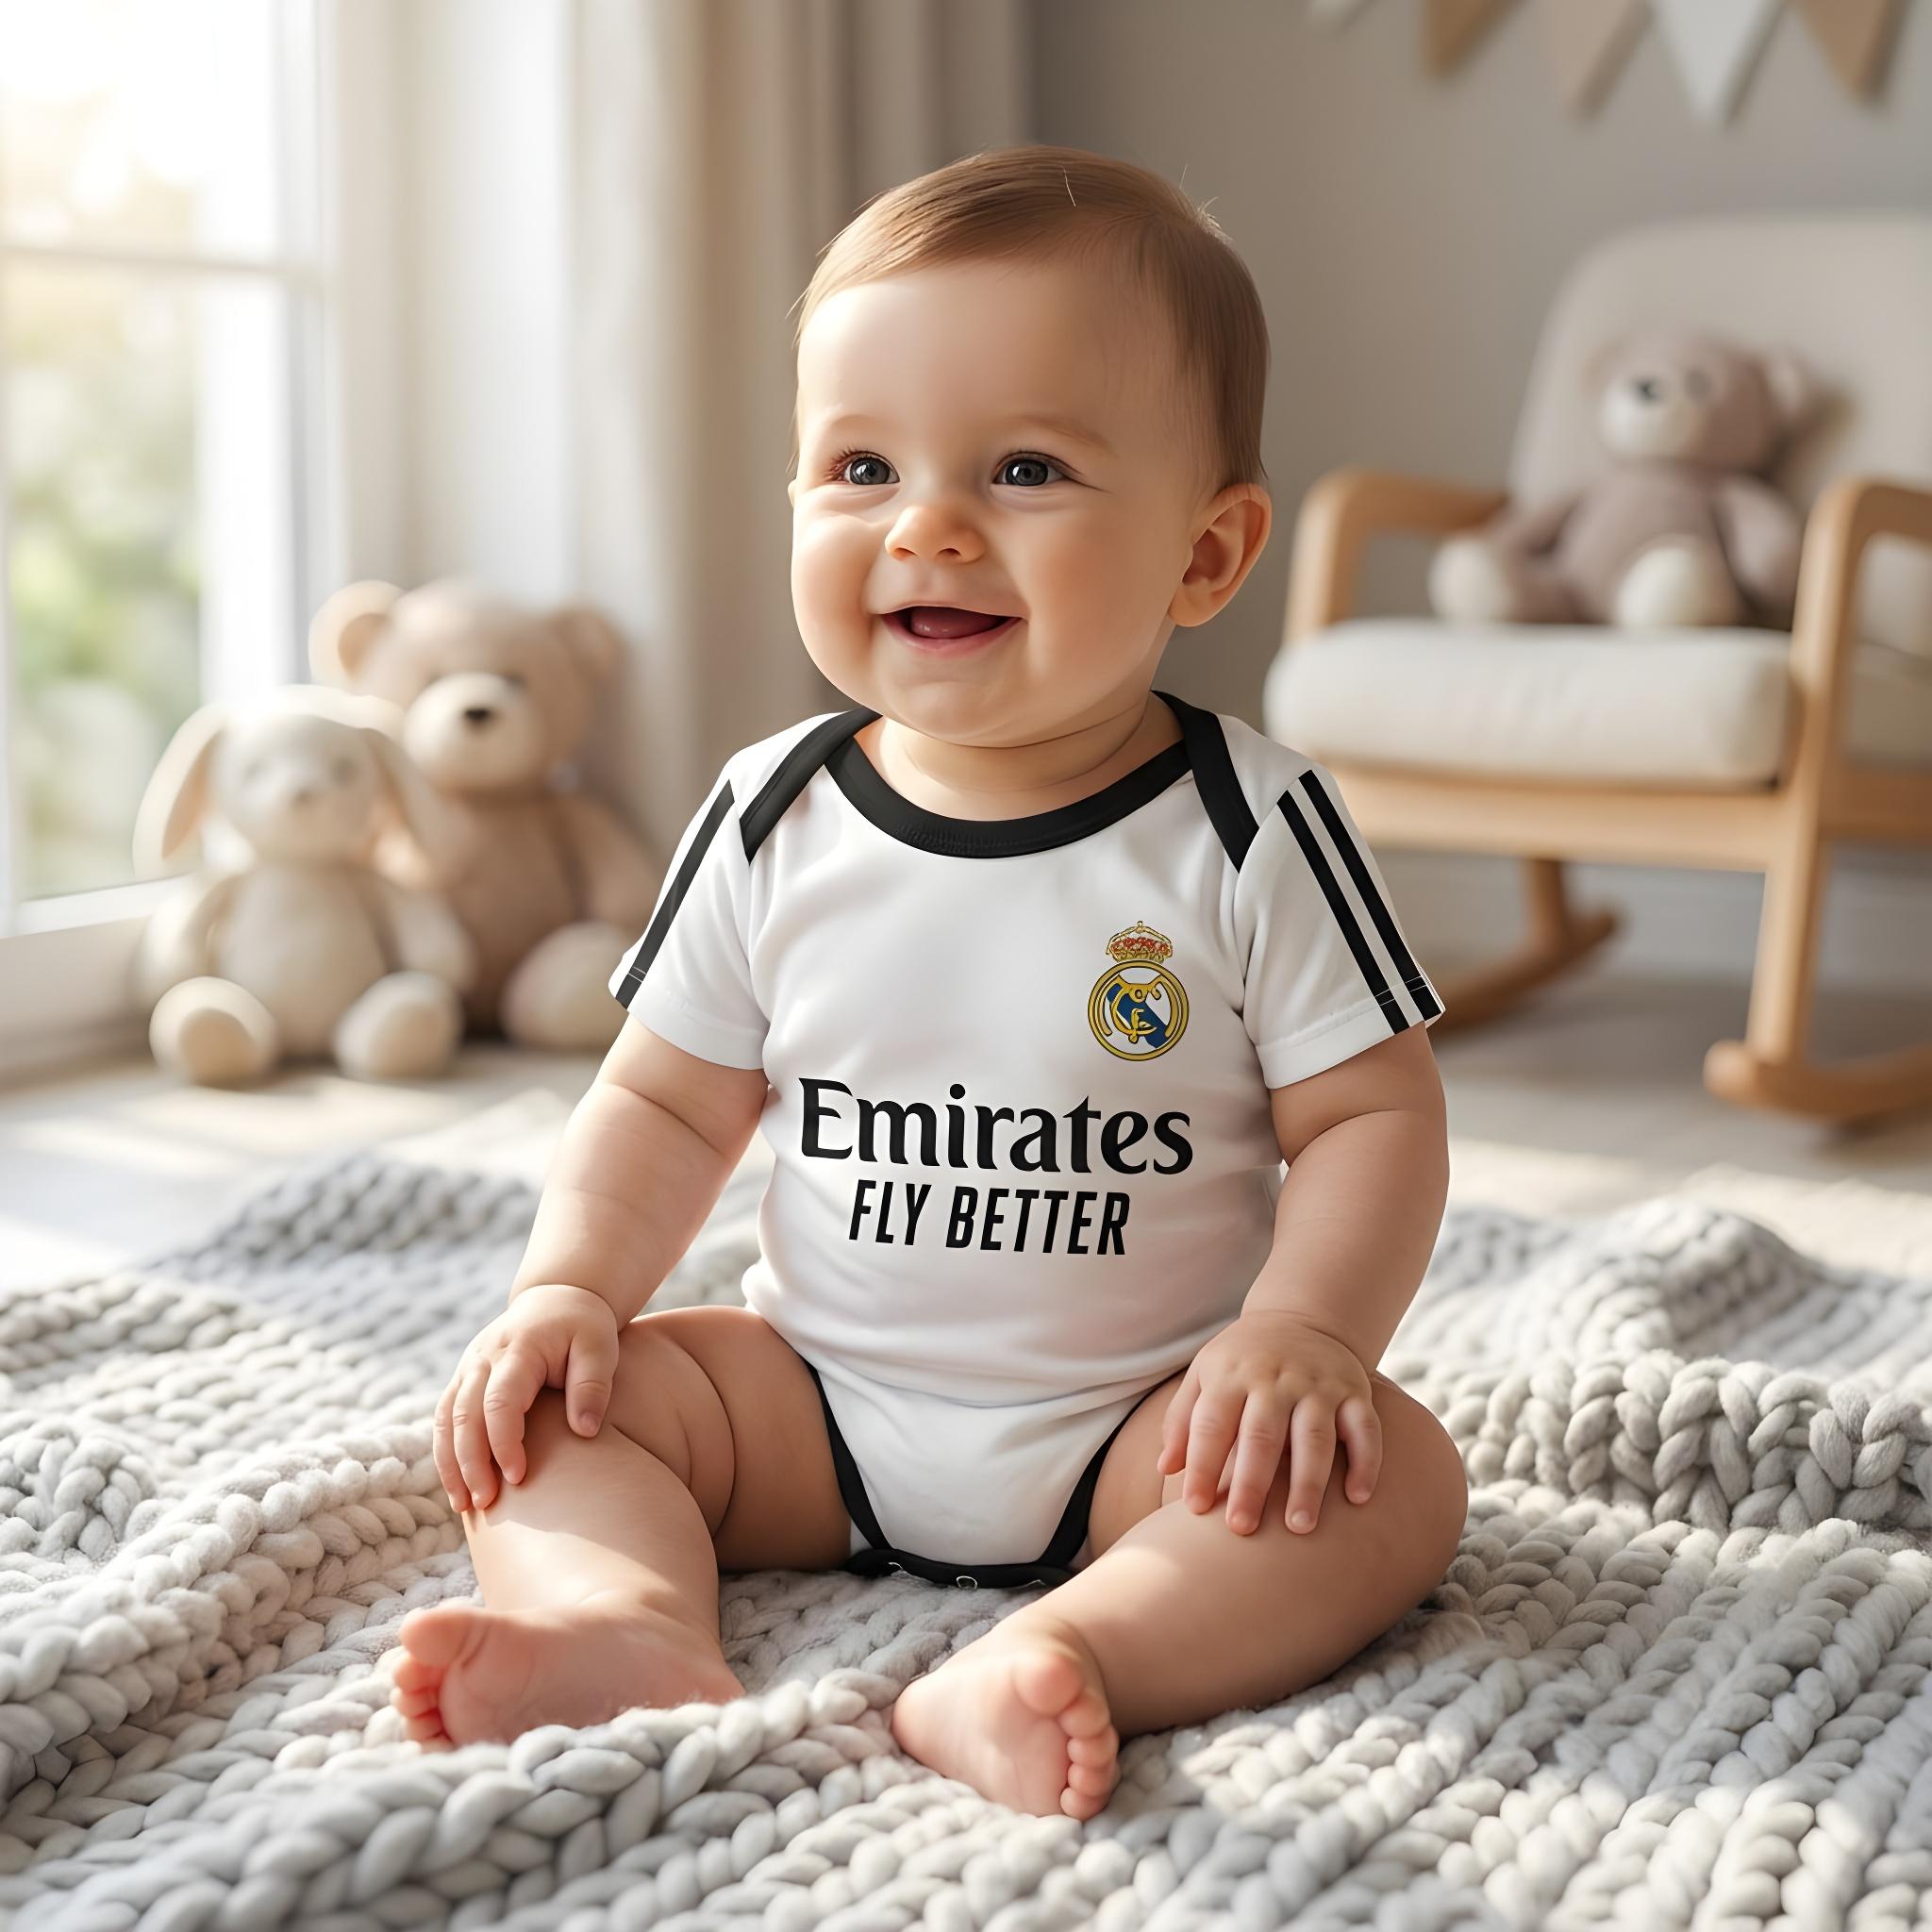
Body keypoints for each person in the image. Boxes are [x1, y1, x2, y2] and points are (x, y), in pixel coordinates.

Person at [391, 144, 1469, 1822]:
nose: (932, 526)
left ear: (1205, 555)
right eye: (862, 466)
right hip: (811, 1399)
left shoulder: (1250, 824)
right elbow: (668, 1096)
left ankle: (1078, 1656)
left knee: (1391, 1481)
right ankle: (616, 1618)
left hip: (1146, 1420)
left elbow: (1372, 1118)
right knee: (546, 1417)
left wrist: (1304, 1335)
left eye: (1026, 467)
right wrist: (573, 1289)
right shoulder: (775, 811)